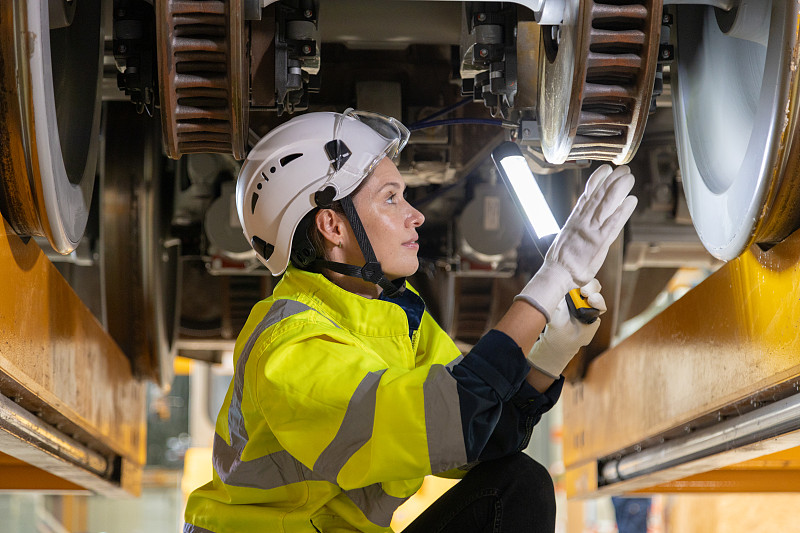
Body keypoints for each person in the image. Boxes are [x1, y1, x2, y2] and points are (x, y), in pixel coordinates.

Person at [183, 109, 637, 533]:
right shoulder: (290, 348)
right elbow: (451, 416)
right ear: (333, 226)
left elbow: (476, 436)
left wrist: (548, 356)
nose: (416, 215)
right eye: (391, 199)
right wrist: (548, 282)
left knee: (516, 485)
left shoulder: (395, 317)